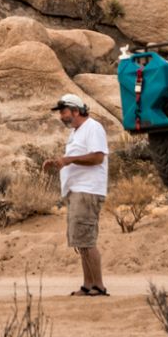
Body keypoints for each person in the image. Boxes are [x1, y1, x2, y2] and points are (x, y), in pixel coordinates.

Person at [43, 93, 109, 296]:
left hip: (87, 190)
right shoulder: (77, 132)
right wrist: (59, 162)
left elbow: (98, 157)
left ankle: (98, 286)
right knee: (81, 242)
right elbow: (77, 157)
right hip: (77, 191)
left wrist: (70, 160)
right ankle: (88, 285)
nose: (61, 116)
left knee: (87, 241)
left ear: (76, 110)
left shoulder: (93, 127)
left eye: (63, 112)